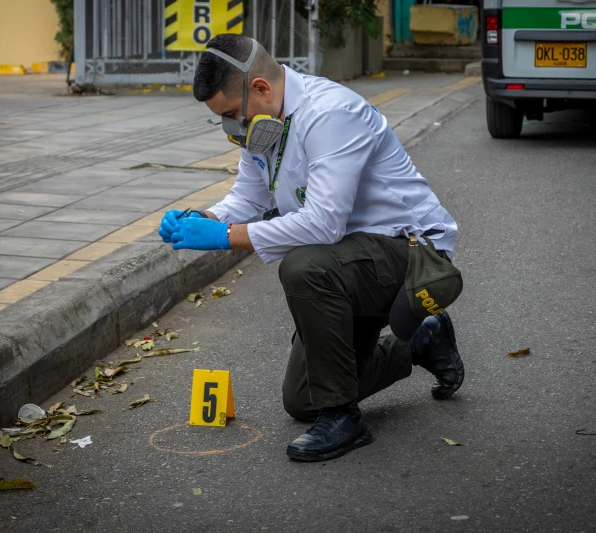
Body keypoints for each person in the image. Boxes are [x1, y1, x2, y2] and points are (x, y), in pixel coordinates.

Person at [159, 34, 464, 462]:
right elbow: (248, 199)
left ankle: (344, 419)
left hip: (410, 254)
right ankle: (418, 344)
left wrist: (228, 238)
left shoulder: (331, 113)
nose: (231, 128)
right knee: (303, 400)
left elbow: (323, 223)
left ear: (260, 89)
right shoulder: (262, 125)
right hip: (348, 261)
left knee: (303, 267)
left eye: (230, 114)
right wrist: (206, 220)